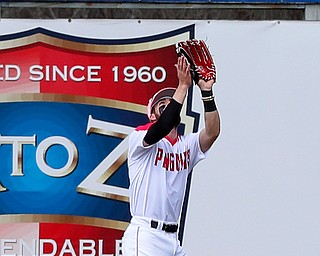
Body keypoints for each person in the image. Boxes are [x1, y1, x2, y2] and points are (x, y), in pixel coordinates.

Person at [122, 55, 220, 256]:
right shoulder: (140, 138)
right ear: (151, 115)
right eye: (162, 103)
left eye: (171, 100)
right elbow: (163, 126)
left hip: (172, 239)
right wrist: (183, 86)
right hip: (146, 235)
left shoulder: (187, 144)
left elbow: (212, 132)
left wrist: (207, 92)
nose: (168, 103)